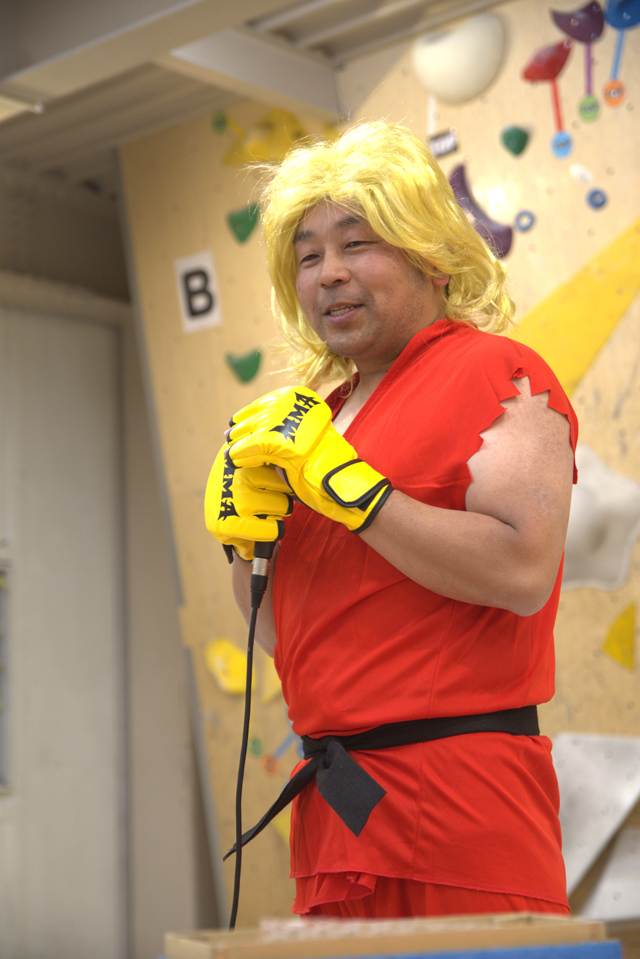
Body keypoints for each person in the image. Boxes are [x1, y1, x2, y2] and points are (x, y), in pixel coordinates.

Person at [204, 121, 578, 920]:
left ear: (430, 254)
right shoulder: (314, 423)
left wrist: (358, 494)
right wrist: (243, 544)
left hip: (465, 801)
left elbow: (521, 571)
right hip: (335, 808)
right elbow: (281, 637)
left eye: (357, 243)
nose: (330, 273)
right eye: (308, 256)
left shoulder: (499, 370)